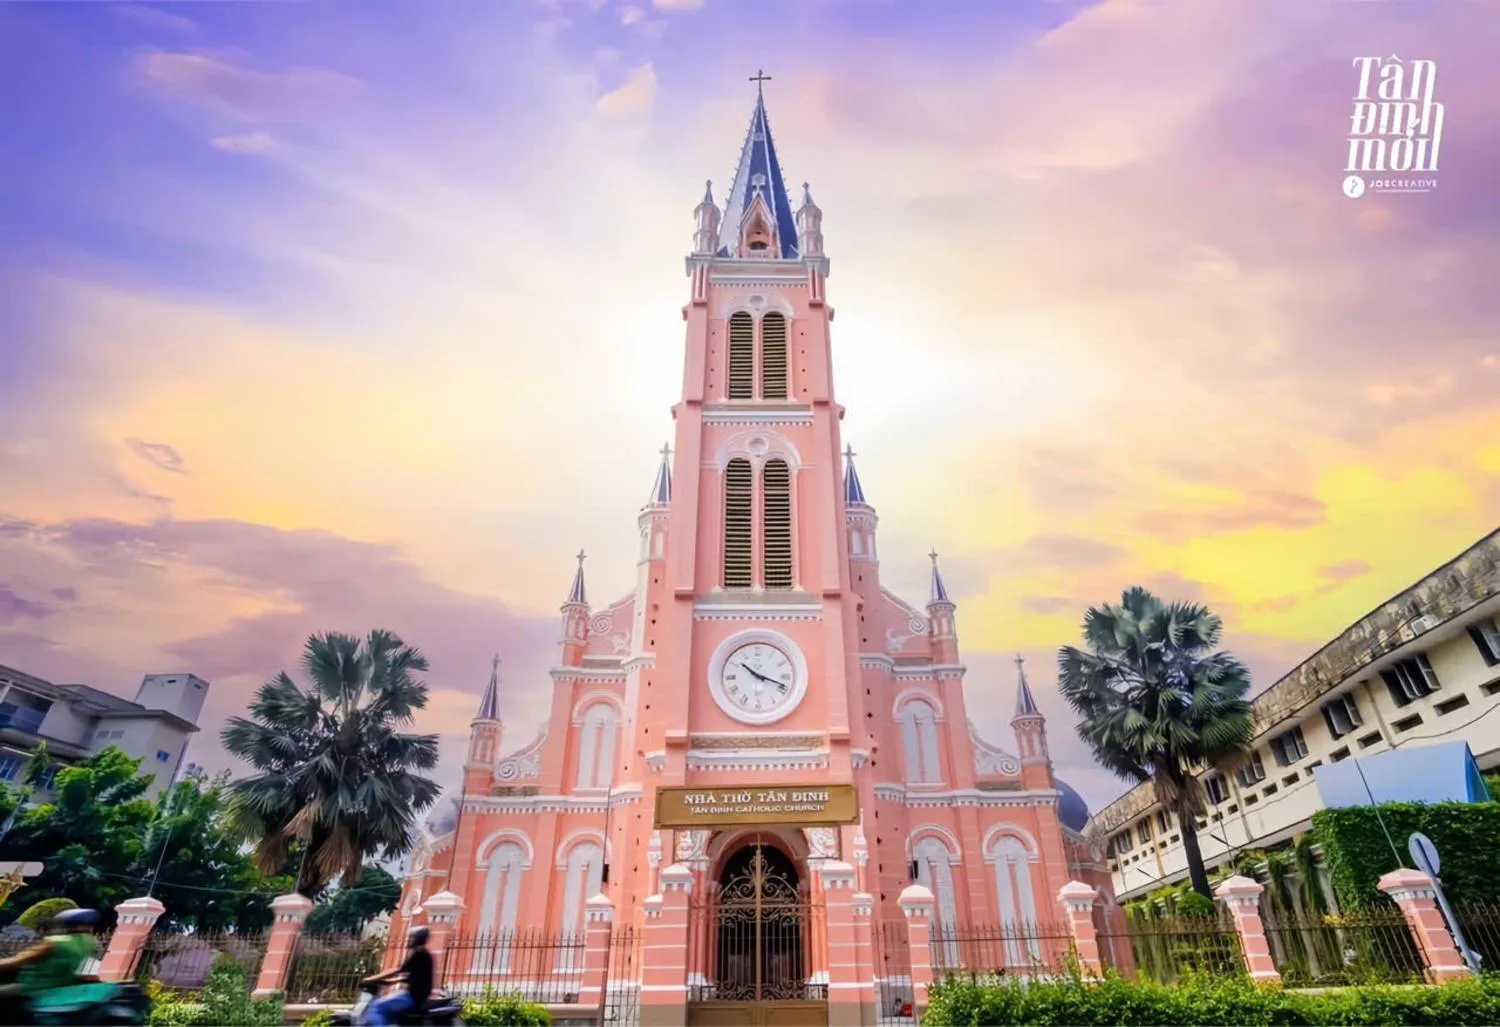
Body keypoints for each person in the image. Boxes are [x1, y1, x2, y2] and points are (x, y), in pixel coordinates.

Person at [0, 907, 106, 1018]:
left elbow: (18, 961)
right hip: (65, 993)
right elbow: (89, 975)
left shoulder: (54, 942)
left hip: (35, 991)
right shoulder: (93, 943)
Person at [360, 925, 434, 1026]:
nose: (409, 940)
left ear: (418, 938)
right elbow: (415, 976)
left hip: (412, 997)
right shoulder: (424, 954)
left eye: (412, 937)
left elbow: (399, 969)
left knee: (377, 1006)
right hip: (414, 995)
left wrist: (371, 978)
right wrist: (393, 981)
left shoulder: (419, 953)